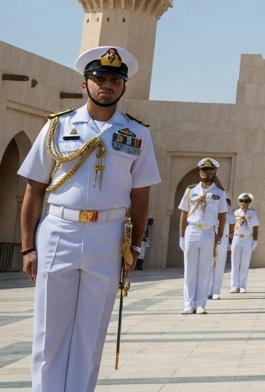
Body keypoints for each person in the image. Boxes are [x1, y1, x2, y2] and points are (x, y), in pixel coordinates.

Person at [17, 46, 160, 392]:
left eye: (114, 80)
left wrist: (135, 248)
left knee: (91, 332)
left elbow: (140, 197)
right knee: (50, 331)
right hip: (59, 230)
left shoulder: (137, 135)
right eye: (99, 79)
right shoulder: (58, 126)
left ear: (124, 87)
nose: (106, 86)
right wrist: (27, 248)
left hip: (108, 236)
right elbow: (35, 189)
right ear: (85, 84)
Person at [178, 158, 228, 314]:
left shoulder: (219, 193)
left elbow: (222, 216)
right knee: (190, 269)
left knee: (205, 269)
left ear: (214, 172)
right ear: (200, 172)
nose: (207, 173)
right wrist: (181, 236)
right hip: (192, 230)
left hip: (208, 232)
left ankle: (200, 304)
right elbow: (183, 213)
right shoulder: (190, 190)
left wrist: (219, 236)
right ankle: (188, 303)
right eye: (204, 170)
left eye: (210, 170)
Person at [229, 193, 259, 293]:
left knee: (244, 263)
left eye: (246, 201)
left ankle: (242, 285)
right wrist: (230, 241)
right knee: (235, 262)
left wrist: (255, 240)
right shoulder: (236, 213)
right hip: (237, 238)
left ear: (249, 202)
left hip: (247, 238)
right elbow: (231, 227)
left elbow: (255, 227)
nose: (243, 203)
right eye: (241, 201)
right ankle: (234, 285)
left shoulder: (252, 213)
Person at [209, 214, 229, 300]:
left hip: (222, 241)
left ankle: (215, 291)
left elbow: (232, 223)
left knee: (219, 267)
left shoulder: (227, 212)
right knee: (208, 267)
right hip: (209, 239)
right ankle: (207, 291)